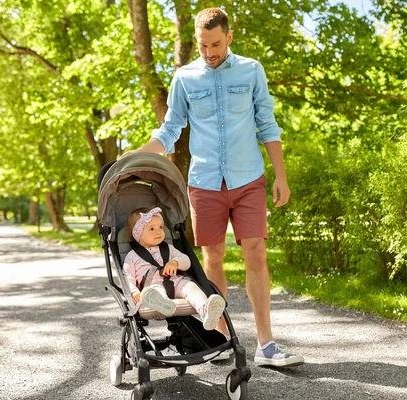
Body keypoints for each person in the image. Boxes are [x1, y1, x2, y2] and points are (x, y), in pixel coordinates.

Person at [132, 7, 303, 367]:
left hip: (247, 178)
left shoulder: (251, 70)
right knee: (212, 258)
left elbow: (267, 125)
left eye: (215, 43)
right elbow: (170, 131)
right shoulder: (185, 77)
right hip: (205, 183)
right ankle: (220, 338)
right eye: (202, 45)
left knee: (256, 253)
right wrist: (134, 156)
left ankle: (266, 345)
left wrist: (280, 176)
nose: (209, 52)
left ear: (229, 36)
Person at [123, 207, 226, 330]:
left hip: (176, 282)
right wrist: (134, 291)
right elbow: (127, 276)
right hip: (152, 286)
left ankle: (207, 312)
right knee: (154, 292)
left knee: (191, 287)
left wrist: (175, 262)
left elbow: (187, 261)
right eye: (152, 229)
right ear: (138, 234)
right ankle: (163, 304)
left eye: (161, 227)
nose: (158, 232)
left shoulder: (168, 249)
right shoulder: (132, 256)